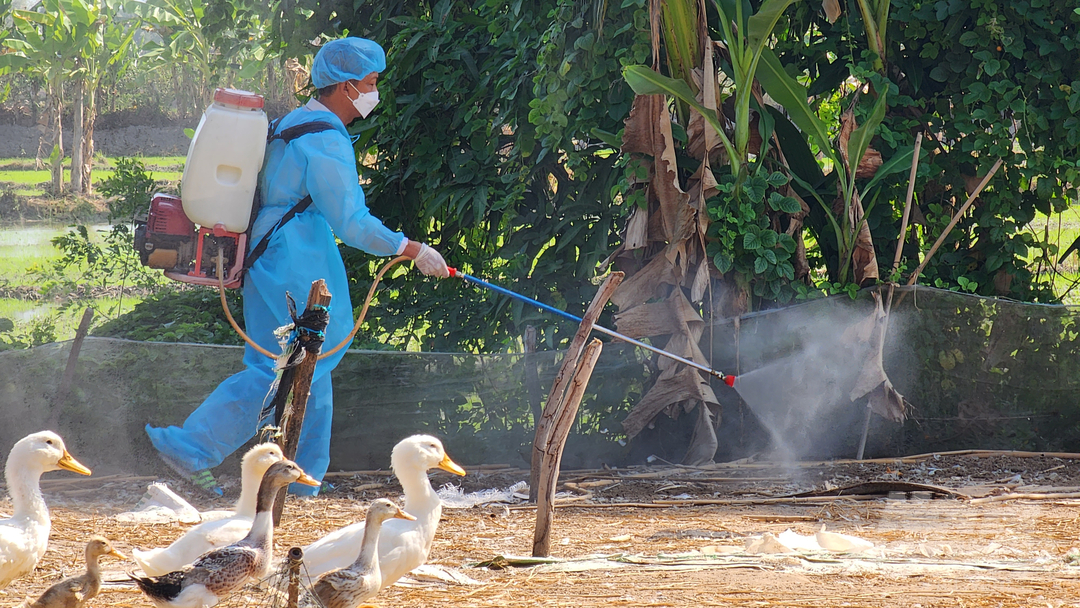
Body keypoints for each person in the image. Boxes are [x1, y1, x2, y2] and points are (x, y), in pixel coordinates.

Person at [145, 37, 449, 496]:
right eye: (370, 83)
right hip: (295, 258)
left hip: (267, 252)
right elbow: (351, 221)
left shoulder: (293, 122)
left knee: (296, 363)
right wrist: (411, 248)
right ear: (346, 86)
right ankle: (198, 449)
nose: (374, 93)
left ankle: (299, 477)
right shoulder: (324, 136)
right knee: (299, 363)